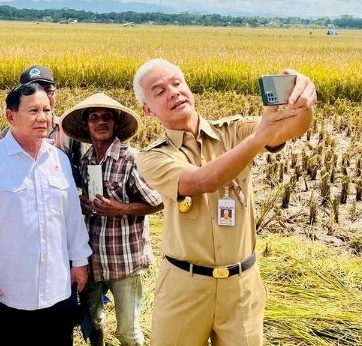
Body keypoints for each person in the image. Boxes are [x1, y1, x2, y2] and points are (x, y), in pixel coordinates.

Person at [132, 59, 316, 346]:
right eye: (159, 91)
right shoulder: (152, 157)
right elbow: (200, 181)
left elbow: (289, 129)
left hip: (241, 286)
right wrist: (257, 141)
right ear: (148, 110)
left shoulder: (234, 130)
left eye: (177, 83)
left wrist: (302, 103)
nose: (173, 92)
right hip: (184, 286)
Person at [0, 82, 92, 346]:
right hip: (6, 293)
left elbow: (71, 216)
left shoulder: (59, 160)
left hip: (57, 291)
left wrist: (80, 260)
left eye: (47, 110)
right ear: (11, 116)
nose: (43, 117)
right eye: (33, 110)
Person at [60, 93, 163, 346]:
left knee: (128, 331)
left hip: (124, 259)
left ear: (116, 123)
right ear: (87, 125)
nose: (100, 122)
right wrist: (83, 205)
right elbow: (87, 198)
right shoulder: (85, 161)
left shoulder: (131, 159)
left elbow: (159, 201)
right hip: (92, 258)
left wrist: (122, 209)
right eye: (94, 117)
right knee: (93, 322)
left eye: (107, 116)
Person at [0, 65, 84, 183]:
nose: (42, 96)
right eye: (34, 91)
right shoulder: (8, 135)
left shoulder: (69, 129)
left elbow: (84, 173)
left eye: (48, 91)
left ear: (55, 93)